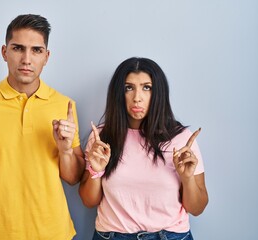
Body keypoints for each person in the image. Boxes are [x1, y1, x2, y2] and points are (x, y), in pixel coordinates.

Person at [0, 14, 85, 240]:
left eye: (36, 50)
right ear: (5, 52)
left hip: (54, 233)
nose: (26, 59)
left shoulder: (65, 105)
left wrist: (66, 151)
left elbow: (73, 178)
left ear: (47, 56)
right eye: (18, 48)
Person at [79, 57, 208, 240]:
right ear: (118, 93)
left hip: (169, 236)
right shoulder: (101, 138)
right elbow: (88, 201)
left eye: (146, 87)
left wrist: (187, 180)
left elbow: (197, 208)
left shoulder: (181, 139)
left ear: (158, 93)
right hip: (112, 236)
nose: (137, 98)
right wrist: (95, 171)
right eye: (128, 88)